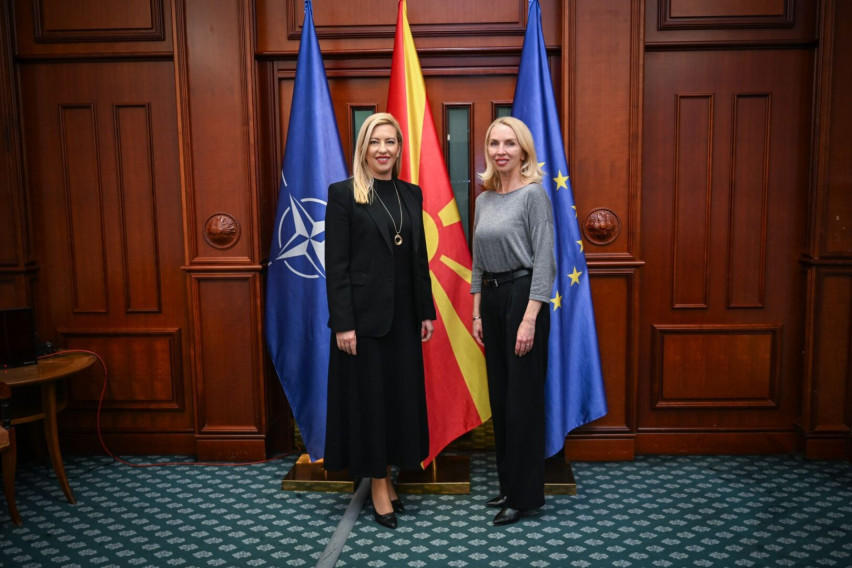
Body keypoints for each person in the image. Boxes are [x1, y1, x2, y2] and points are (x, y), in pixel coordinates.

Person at [323, 112, 436, 530]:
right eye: (375, 141)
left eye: (390, 141)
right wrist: (343, 323)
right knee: (369, 404)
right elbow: (336, 266)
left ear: (399, 148)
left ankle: (387, 476)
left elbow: (418, 258)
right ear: (363, 148)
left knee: (396, 402)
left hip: (404, 320)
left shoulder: (411, 193)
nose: (383, 149)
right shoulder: (343, 194)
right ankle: (377, 485)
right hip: (363, 323)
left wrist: (425, 311)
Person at [470, 116, 556, 526]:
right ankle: (508, 485)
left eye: (509, 143)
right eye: (494, 143)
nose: (500, 151)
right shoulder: (484, 200)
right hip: (491, 299)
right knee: (502, 400)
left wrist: (529, 319)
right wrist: (476, 311)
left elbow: (545, 262)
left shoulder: (534, 196)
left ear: (523, 151)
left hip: (524, 298)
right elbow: (477, 261)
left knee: (522, 403)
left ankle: (525, 496)